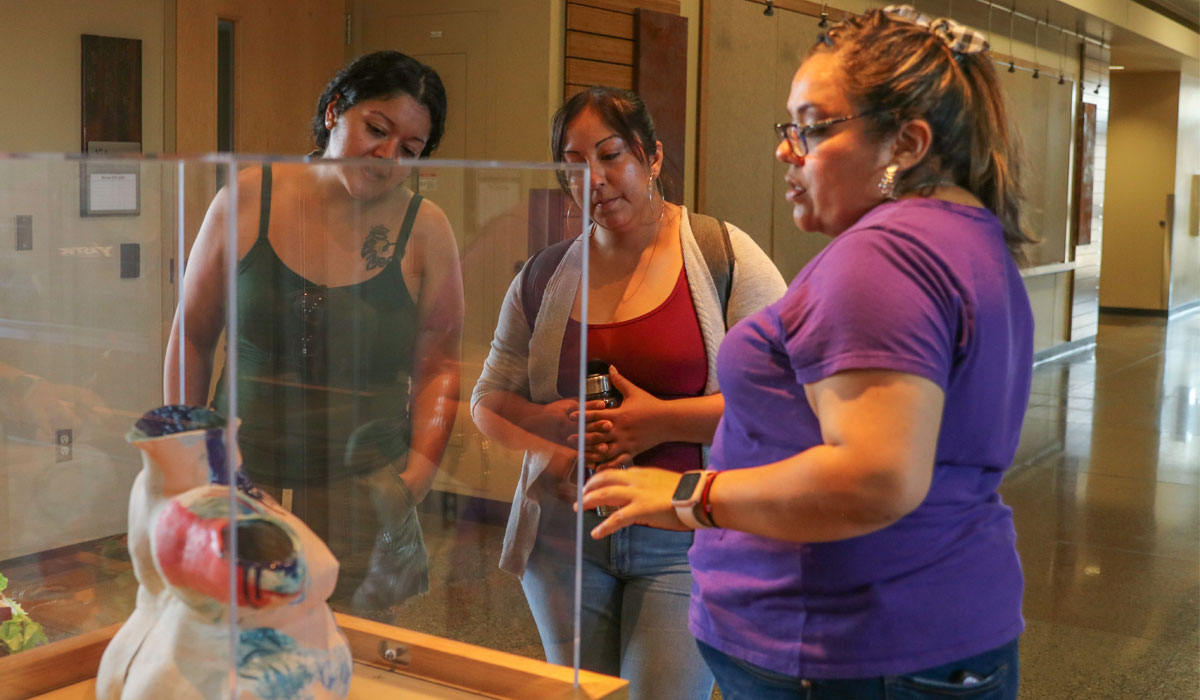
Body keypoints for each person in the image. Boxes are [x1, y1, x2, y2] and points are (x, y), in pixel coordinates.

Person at [582, 7, 1036, 699]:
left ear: (906, 144)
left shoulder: (882, 257)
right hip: (918, 630)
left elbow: (873, 477)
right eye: (788, 128)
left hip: (843, 646)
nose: (787, 150)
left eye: (814, 128)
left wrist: (692, 493)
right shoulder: (963, 231)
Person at [471, 86, 786, 700]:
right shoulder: (543, 274)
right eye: (573, 164)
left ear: (654, 157)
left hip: (682, 535)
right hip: (565, 539)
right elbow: (488, 400)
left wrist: (661, 423)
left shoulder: (724, 254)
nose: (593, 178)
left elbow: (785, 403)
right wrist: (552, 435)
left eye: (611, 155)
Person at [164, 51, 464, 621]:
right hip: (241, 479)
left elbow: (440, 363)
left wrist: (417, 476)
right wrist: (188, 457)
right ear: (334, 112)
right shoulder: (248, 196)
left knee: (351, 658)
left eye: (410, 149)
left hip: (363, 487)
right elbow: (194, 335)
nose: (387, 156)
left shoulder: (425, 228)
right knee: (237, 649)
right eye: (376, 129)